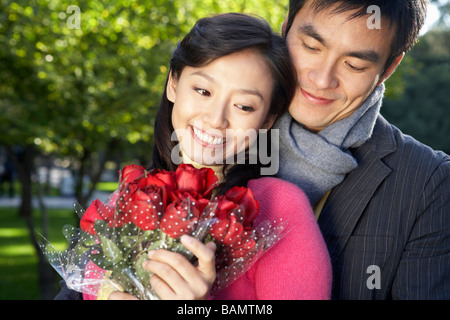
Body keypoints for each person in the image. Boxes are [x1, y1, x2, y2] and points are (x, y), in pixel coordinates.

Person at [55, 12, 332, 300]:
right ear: (173, 83)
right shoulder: (131, 198)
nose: (216, 119)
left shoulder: (278, 207)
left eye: (244, 106)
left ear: (266, 121)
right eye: (202, 90)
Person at [274, 0, 450, 299]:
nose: (322, 79)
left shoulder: (428, 184)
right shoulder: (214, 133)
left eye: (354, 65)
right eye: (311, 47)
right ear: (286, 26)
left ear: (388, 69)